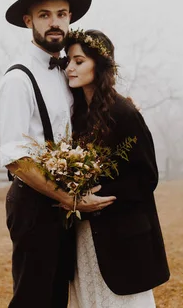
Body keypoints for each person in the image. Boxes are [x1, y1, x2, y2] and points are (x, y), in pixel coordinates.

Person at [0, 0, 115, 308]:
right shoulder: (18, 80)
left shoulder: (68, 74)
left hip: (63, 207)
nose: (55, 23)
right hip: (33, 205)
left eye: (61, 14)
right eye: (44, 15)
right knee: (33, 298)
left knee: (58, 297)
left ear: (70, 19)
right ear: (28, 21)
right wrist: (72, 199)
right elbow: (15, 158)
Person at [64, 29, 171, 308]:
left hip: (122, 234)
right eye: (68, 61)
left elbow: (146, 177)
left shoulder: (124, 113)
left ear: (98, 65)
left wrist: (98, 198)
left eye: (78, 61)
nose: (70, 68)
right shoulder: (77, 115)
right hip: (85, 235)